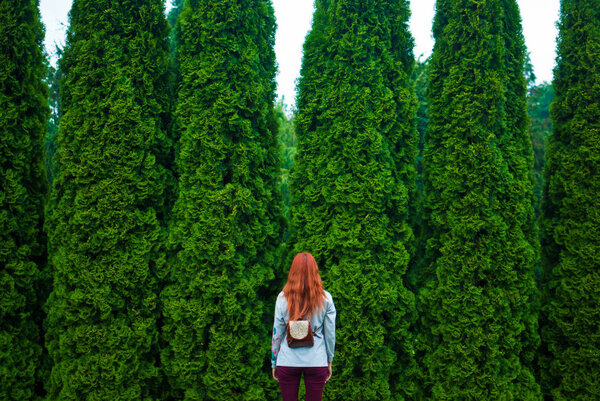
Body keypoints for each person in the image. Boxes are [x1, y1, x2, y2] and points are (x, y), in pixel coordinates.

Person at [271, 252, 336, 401]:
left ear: (293, 272)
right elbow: (330, 334)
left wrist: (274, 362)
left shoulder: (282, 298)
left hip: (287, 360)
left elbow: (277, 333)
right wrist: (329, 360)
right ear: (315, 272)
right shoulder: (326, 299)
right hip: (316, 360)